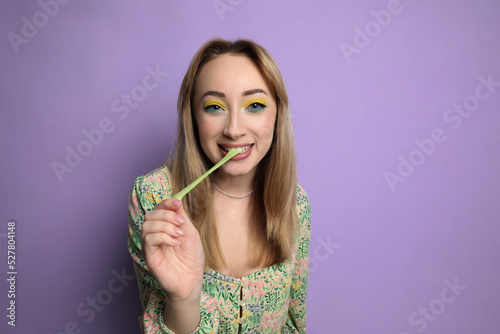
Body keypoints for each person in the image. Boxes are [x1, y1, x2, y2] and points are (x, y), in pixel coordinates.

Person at [127, 38, 311, 333]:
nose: (234, 129)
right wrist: (184, 299)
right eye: (214, 107)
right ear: (193, 117)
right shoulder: (155, 196)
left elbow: (293, 323)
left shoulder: (295, 202)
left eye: (255, 105)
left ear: (277, 115)